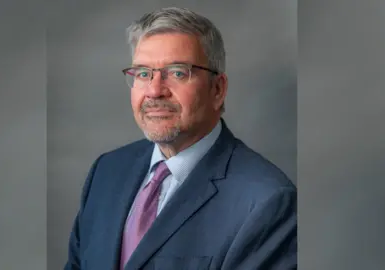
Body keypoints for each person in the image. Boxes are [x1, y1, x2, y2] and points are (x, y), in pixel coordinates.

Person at [64, 7, 296, 270]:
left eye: (177, 73)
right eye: (143, 73)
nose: (154, 91)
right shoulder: (106, 173)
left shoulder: (266, 201)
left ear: (217, 89)